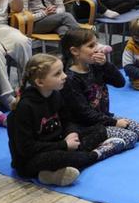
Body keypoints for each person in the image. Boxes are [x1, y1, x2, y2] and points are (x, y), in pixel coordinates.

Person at [7, 54, 127, 187]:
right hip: (32, 159)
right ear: (40, 82)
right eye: (57, 74)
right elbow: (26, 148)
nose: (64, 76)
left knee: (99, 129)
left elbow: (67, 120)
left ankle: (50, 174)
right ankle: (95, 155)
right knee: (66, 157)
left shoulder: (56, 95)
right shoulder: (25, 108)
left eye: (63, 71)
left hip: (58, 143)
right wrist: (64, 145)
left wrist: (72, 132)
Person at [60, 28, 139, 148]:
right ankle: (96, 147)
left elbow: (120, 82)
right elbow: (84, 114)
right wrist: (115, 123)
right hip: (87, 125)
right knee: (131, 137)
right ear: (75, 51)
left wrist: (106, 65)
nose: (97, 48)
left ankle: (106, 137)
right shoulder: (70, 79)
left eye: (96, 44)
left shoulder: (95, 66)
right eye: (91, 46)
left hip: (104, 117)